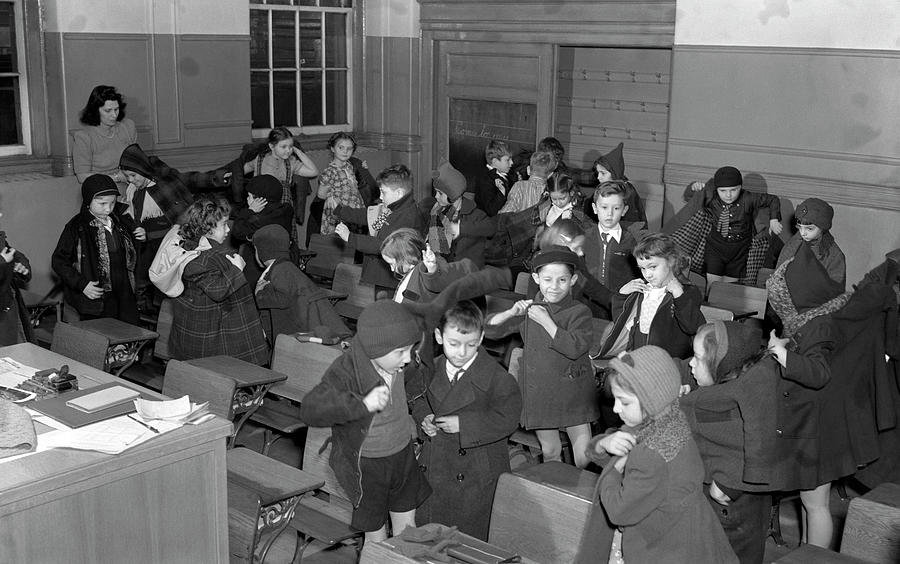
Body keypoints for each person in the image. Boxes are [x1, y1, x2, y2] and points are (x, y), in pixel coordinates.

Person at [585, 346, 738, 564]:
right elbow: (620, 445)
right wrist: (602, 444)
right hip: (690, 534)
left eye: (624, 402)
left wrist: (611, 477)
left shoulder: (653, 453)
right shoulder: (668, 418)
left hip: (664, 548)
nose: (616, 409)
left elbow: (620, 511)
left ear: (650, 400)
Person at [299, 300, 432, 543]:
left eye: (409, 349)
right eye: (399, 352)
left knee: (407, 531)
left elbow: (416, 388)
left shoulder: (402, 362)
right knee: (375, 536)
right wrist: (362, 404)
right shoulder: (347, 370)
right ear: (375, 349)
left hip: (402, 455)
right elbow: (311, 409)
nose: (407, 358)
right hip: (368, 465)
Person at [766, 241, 852, 548]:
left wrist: (783, 354)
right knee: (808, 500)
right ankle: (806, 551)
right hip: (813, 424)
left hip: (821, 430)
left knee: (816, 504)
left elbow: (818, 373)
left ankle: (815, 557)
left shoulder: (820, 326)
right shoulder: (812, 319)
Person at [412, 301, 521, 540]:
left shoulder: (498, 378)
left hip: (476, 472)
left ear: (481, 338)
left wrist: (464, 425)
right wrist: (424, 418)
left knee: (467, 540)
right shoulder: (430, 368)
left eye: (470, 345)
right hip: (435, 466)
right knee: (432, 536)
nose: (461, 352)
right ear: (439, 337)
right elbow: (417, 399)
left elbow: (508, 419)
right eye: (454, 344)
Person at [486, 246, 598, 468]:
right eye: (547, 279)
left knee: (584, 454)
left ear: (573, 280)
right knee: (550, 449)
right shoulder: (530, 309)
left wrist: (547, 322)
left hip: (572, 391)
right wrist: (510, 313)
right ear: (536, 278)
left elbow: (575, 347)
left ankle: (581, 492)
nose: (554, 287)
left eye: (562, 280)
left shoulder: (579, 311)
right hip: (541, 393)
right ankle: (553, 488)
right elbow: (489, 330)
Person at [680, 321, 778, 564]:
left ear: (719, 364)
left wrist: (729, 483)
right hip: (747, 503)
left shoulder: (721, 400)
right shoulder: (742, 384)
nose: (691, 363)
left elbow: (756, 441)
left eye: (698, 358)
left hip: (728, 506)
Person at [118, 143, 231, 311]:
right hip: (148, 247)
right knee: (145, 283)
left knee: (170, 285)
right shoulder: (134, 190)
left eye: (133, 175)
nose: (130, 180)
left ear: (143, 170)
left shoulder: (165, 183)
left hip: (173, 243)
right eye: (127, 176)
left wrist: (215, 177)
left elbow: (190, 179)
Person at [167, 196, 268, 365]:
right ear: (207, 229)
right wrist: (236, 269)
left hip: (208, 332)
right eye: (223, 225)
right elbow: (219, 291)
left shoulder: (192, 250)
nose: (228, 230)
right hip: (215, 338)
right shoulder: (200, 259)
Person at [593, 233, 704, 360]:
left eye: (653, 267)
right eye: (642, 268)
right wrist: (622, 296)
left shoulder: (688, 291)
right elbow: (621, 320)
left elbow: (693, 327)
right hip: (639, 356)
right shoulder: (643, 290)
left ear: (671, 261)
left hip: (669, 363)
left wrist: (679, 295)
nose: (647, 274)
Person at [52, 174, 143, 324]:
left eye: (112, 203)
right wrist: (82, 284)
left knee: (127, 326)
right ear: (88, 201)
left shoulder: (120, 220)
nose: (108, 208)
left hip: (123, 289)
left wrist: (140, 237)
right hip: (97, 294)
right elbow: (59, 261)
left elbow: (132, 252)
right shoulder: (77, 226)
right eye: (102, 203)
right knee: (102, 330)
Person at [334, 164, 426, 291]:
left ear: (399, 193)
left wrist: (350, 237)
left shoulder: (407, 215)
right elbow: (367, 216)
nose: (380, 197)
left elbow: (382, 245)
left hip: (390, 278)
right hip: (382, 274)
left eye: (383, 192)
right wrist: (339, 210)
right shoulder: (393, 206)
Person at [253, 224, 350, 344]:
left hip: (300, 330)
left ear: (262, 251)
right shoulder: (284, 267)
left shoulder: (281, 269)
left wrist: (260, 294)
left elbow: (283, 299)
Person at [698, 166, 783, 288]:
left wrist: (774, 219)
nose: (728, 195)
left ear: (740, 187)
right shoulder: (712, 198)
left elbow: (773, 200)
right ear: (717, 189)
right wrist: (694, 187)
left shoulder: (748, 198)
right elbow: (693, 199)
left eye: (733, 190)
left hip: (739, 249)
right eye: (723, 191)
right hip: (715, 247)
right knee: (712, 285)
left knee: (729, 287)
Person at [582, 181, 643, 319]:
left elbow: (641, 274)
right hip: (587, 306)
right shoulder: (584, 237)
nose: (609, 214)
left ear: (624, 210)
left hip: (619, 306)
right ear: (595, 208)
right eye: (604, 207)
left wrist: (626, 292)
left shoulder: (631, 241)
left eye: (616, 208)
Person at [424, 161, 494, 268]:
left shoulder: (474, 214)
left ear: (453, 195)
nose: (436, 196)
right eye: (436, 192)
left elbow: (490, 228)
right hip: (442, 268)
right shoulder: (436, 211)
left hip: (467, 273)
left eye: (440, 193)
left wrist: (460, 228)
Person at [380, 229, 477, 305]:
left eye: (392, 264)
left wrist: (432, 270)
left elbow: (436, 282)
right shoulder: (413, 269)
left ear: (407, 257)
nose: (392, 269)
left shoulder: (427, 269)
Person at [230, 174, 294, 287]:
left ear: (260, 200)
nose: (247, 199)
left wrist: (249, 210)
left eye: (249, 196)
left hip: (261, 270)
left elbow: (237, 232)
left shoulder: (259, 220)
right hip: (287, 264)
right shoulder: (286, 210)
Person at [72, 85, 138, 193]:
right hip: (101, 189)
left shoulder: (128, 127)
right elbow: (82, 176)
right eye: (108, 111)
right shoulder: (84, 137)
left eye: (116, 109)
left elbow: (135, 161)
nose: (114, 115)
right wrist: (117, 177)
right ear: (96, 111)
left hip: (130, 184)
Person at [242, 126, 319, 209]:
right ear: (272, 146)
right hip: (261, 207)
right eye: (283, 147)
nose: (288, 150)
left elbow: (313, 172)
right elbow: (240, 171)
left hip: (283, 208)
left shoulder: (291, 162)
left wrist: (297, 151)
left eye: (290, 146)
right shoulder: (259, 160)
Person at [777, 197, 845, 290]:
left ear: (823, 227)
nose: (803, 233)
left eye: (809, 229)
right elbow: (778, 277)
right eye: (800, 227)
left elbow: (834, 291)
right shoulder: (793, 244)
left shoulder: (835, 256)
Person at [584, 142, 647, 226]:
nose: (598, 177)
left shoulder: (626, 192)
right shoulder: (605, 188)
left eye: (603, 173)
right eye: (598, 173)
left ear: (614, 173)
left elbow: (631, 222)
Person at [318, 131, 366, 235]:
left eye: (349, 149)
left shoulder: (349, 166)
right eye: (341, 148)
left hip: (354, 208)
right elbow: (321, 194)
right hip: (338, 212)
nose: (345, 151)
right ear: (332, 149)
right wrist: (331, 196)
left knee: (354, 239)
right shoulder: (330, 171)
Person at [0, 225, 32, 345]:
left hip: (6, 306)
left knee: (14, 353)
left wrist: (20, 266)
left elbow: (14, 255)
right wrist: (2, 262)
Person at [474, 140, 513, 217]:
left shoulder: (505, 174)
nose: (512, 163)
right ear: (495, 162)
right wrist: (501, 192)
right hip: (489, 222)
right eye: (507, 160)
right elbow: (491, 210)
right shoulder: (485, 180)